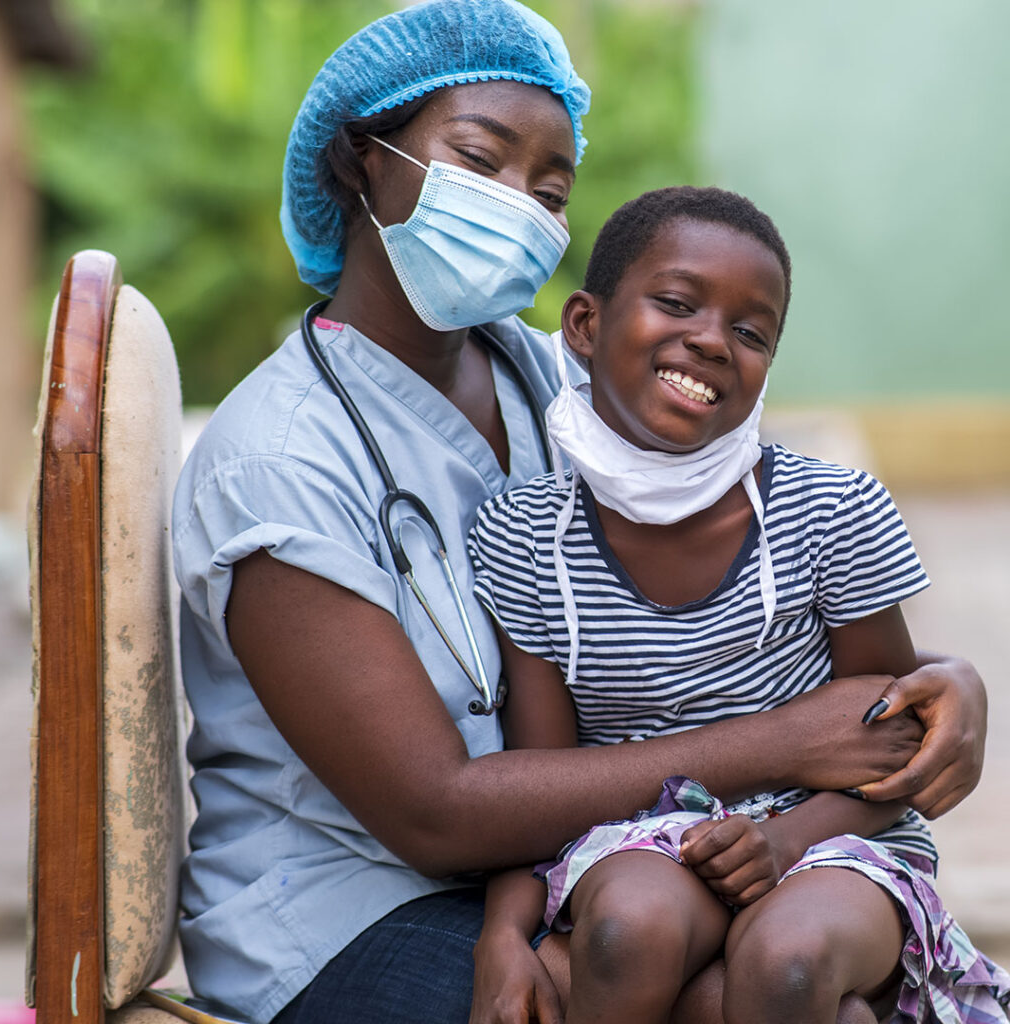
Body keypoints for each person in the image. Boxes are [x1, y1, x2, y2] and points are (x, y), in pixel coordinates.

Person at [171, 3, 989, 1022]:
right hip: (349, 912)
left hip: (563, 855)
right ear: (362, 162)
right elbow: (432, 813)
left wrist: (941, 682)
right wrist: (782, 741)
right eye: (479, 159)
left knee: (800, 978)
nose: (516, 205)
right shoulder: (276, 462)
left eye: (548, 190)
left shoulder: (543, 373)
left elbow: (762, 536)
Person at [467, 186, 1010, 1024]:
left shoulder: (831, 511)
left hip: (833, 836)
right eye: (677, 303)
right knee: (624, 930)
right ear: (583, 326)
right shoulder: (523, 535)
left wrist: (784, 843)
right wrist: (503, 937)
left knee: (787, 964)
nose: (713, 341)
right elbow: (539, 784)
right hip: (641, 836)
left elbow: (894, 744)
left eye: (751, 333)